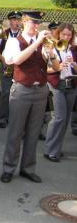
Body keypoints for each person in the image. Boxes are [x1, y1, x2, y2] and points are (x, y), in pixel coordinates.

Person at [0, 10, 60, 184]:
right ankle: (8, 168)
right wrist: (37, 43)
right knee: (15, 132)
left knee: (33, 133)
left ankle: (28, 169)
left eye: (38, 23)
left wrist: (51, 53)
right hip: (21, 90)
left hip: (40, 90)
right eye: (33, 23)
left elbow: (55, 67)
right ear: (24, 22)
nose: (36, 26)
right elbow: (15, 60)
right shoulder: (14, 41)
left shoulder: (44, 43)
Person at [44, 23, 77, 162]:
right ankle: (50, 150)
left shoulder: (74, 50)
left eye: (69, 35)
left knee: (66, 118)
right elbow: (45, 70)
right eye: (64, 34)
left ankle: (57, 148)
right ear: (58, 34)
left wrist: (73, 64)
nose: (66, 37)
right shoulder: (51, 47)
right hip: (55, 85)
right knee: (58, 118)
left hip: (71, 85)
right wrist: (58, 67)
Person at [0, 11, 22, 128]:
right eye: (14, 20)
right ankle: (3, 118)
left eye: (18, 20)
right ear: (9, 21)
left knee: (19, 93)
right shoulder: (3, 33)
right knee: (5, 92)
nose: (16, 22)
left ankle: (15, 117)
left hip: (19, 66)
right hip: (6, 66)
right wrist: (3, 60)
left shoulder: (23, 34)